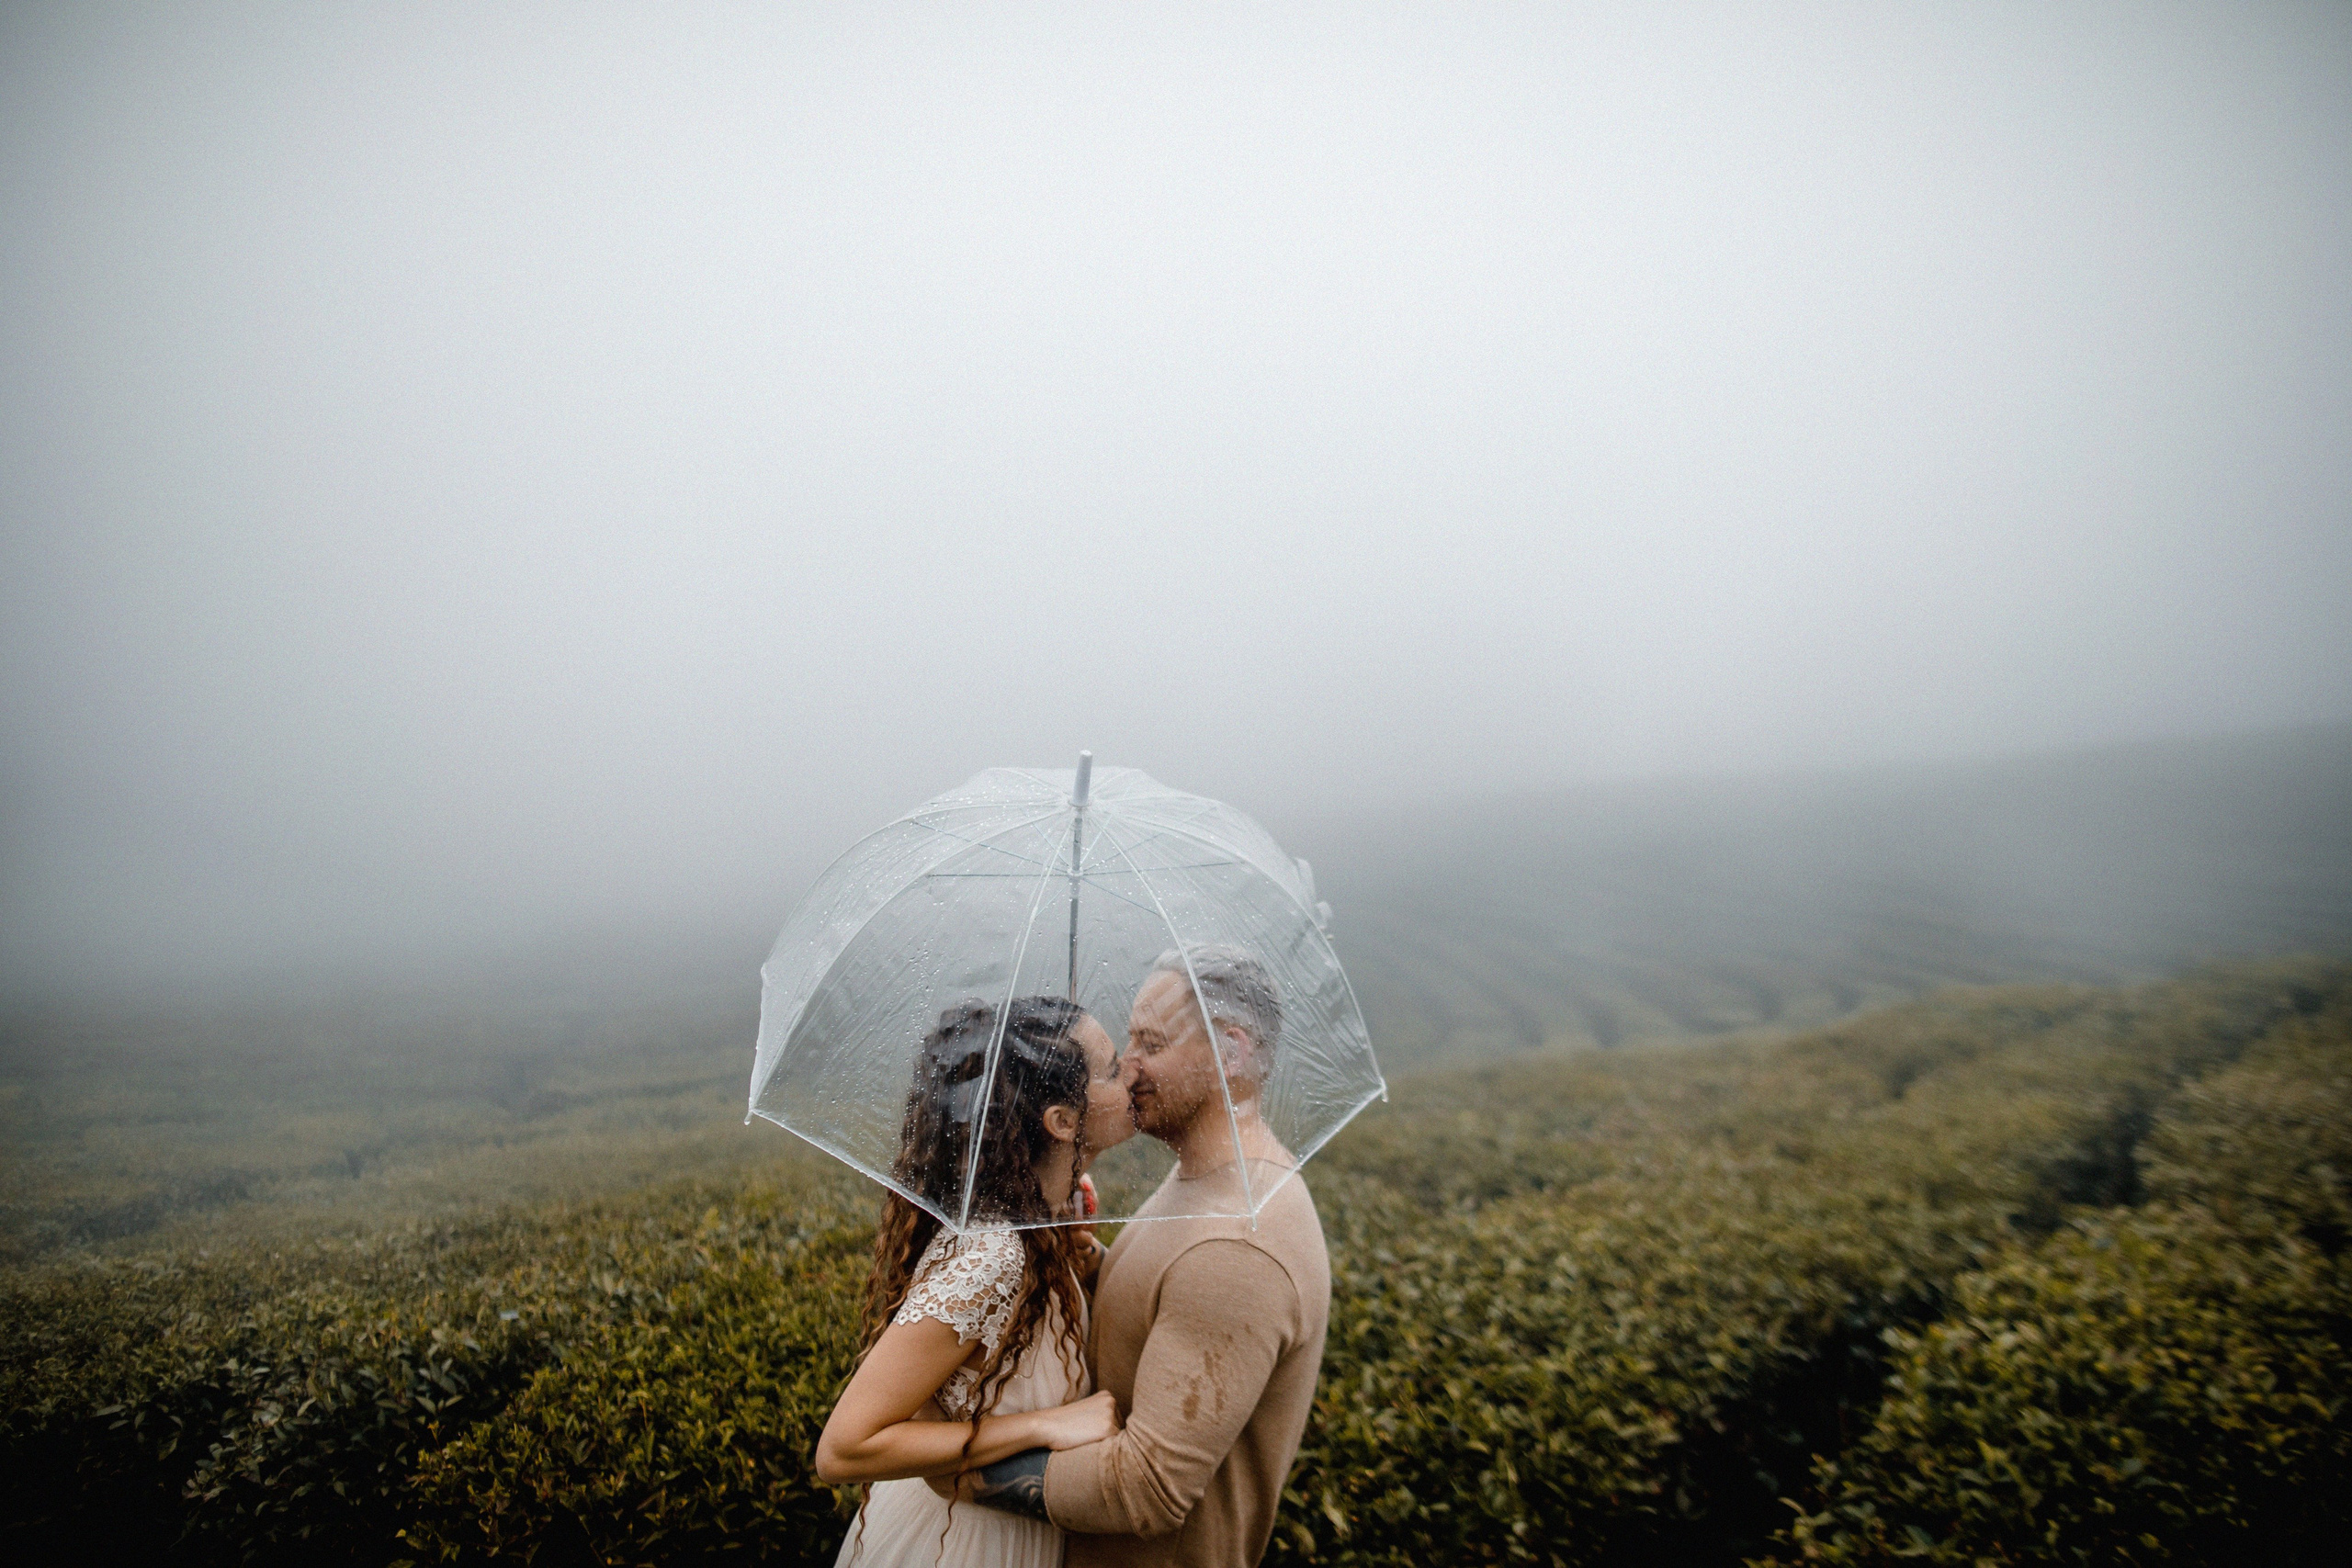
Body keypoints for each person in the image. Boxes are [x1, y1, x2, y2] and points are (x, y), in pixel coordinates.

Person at [964, 947, 1332, 1568]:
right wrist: (1086, 1258)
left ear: (1231, 1052)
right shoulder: (1203, 1179)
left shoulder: (1239, 1242)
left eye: (1151, 1044)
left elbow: (1149, 1487)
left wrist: (959, 1476)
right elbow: (1168, 1315)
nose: (1127, 1067)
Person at [817, 995, 1137, 1567]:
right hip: (958, 1548)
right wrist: (1044, 1426)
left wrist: (1075, 1249)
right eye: (1111, 1069)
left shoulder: (1035, 1228)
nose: (1132, 1073)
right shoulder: (995, 1254)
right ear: (1062, 1122)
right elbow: (844, 1448)